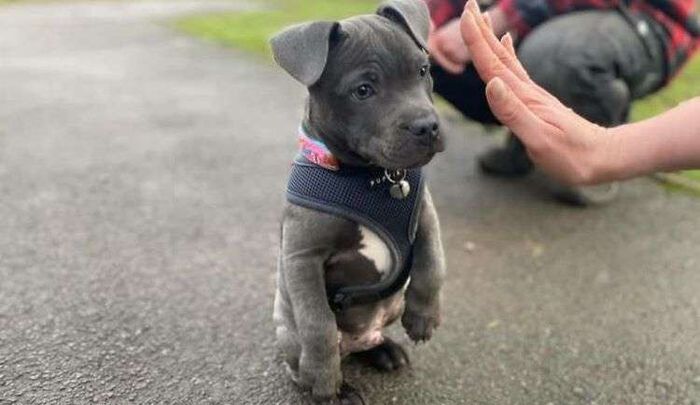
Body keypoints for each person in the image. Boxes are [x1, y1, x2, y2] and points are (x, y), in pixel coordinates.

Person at [425, 0, 699, 203]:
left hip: (645, 16)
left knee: (556, 55)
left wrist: (501, 17)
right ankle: (529, 141)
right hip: (543, 15)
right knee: (419, 53)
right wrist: (428, 24)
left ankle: (599, 146)